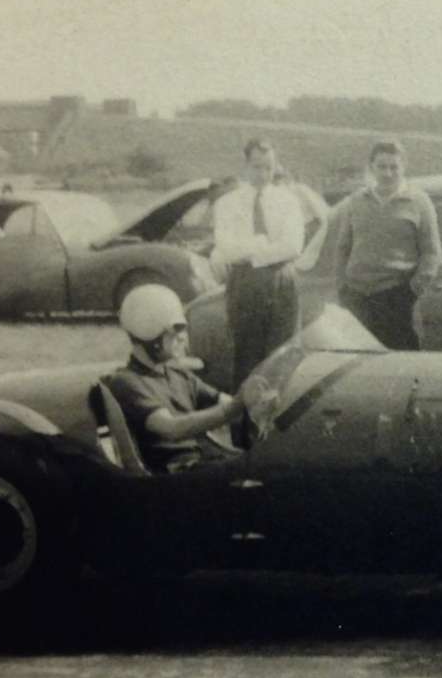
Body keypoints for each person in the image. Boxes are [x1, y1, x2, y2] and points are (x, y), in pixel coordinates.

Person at [104, 283, 270, 473]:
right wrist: (236, 405)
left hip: (203, 463)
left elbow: (223, 400)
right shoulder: (127, 382)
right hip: (177, 474)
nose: (182, 337)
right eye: (175, 330)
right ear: (150, 335)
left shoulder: (177, 373)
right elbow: (171, 428)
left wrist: (259, 404)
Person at [211, 138, 306, 384]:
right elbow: (226, 248)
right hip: (245, 282)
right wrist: (262, 243)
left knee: (283, 354)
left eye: (268, 167)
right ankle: (246, 409)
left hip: (282, 281)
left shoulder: (288, 201)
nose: (263, 174)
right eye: (257, 167)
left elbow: (293, 245)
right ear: (245, 166)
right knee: (246, 354)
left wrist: (252, 251)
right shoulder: (226, 203)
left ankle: (279, 408)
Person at [332, 139, 442, 349]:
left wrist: (412, 291)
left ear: (403, 167)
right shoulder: (356, 200)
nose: (388, 173)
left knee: (399, 363)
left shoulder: (419, 201)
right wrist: (342, 287)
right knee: (358, 362)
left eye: (394, 167)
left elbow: (432, 253)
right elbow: (343, 247)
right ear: (371, 167)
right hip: (357, 298)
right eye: (382, 166)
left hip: (397, 298)